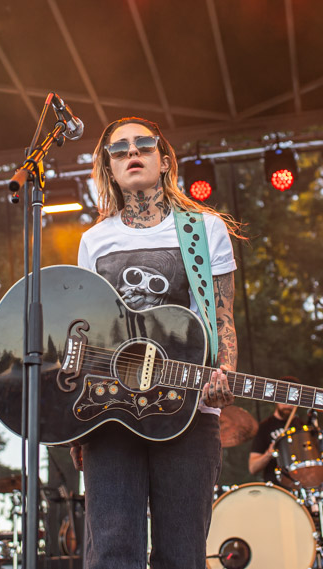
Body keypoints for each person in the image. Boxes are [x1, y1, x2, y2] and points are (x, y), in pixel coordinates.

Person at [69, 116, 240, 568]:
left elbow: (222, 317)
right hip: (109, 415)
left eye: (143, 144)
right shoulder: (94, 241)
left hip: (187, 411)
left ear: (164, 160)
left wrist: (224, 372)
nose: (132, 153)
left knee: (182, 555)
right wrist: (75, 422)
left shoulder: (204, 230)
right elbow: (90, 334)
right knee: (112, 552)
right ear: (109, 167)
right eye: (119, 148)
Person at [249, 400, 323, 569]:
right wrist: (268, 454)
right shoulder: (265, 427)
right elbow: (252, 466)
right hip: (280, 491)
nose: (288, 404)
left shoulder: (302, 426)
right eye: (284, 399)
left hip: (307, 488)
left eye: (292, 399)